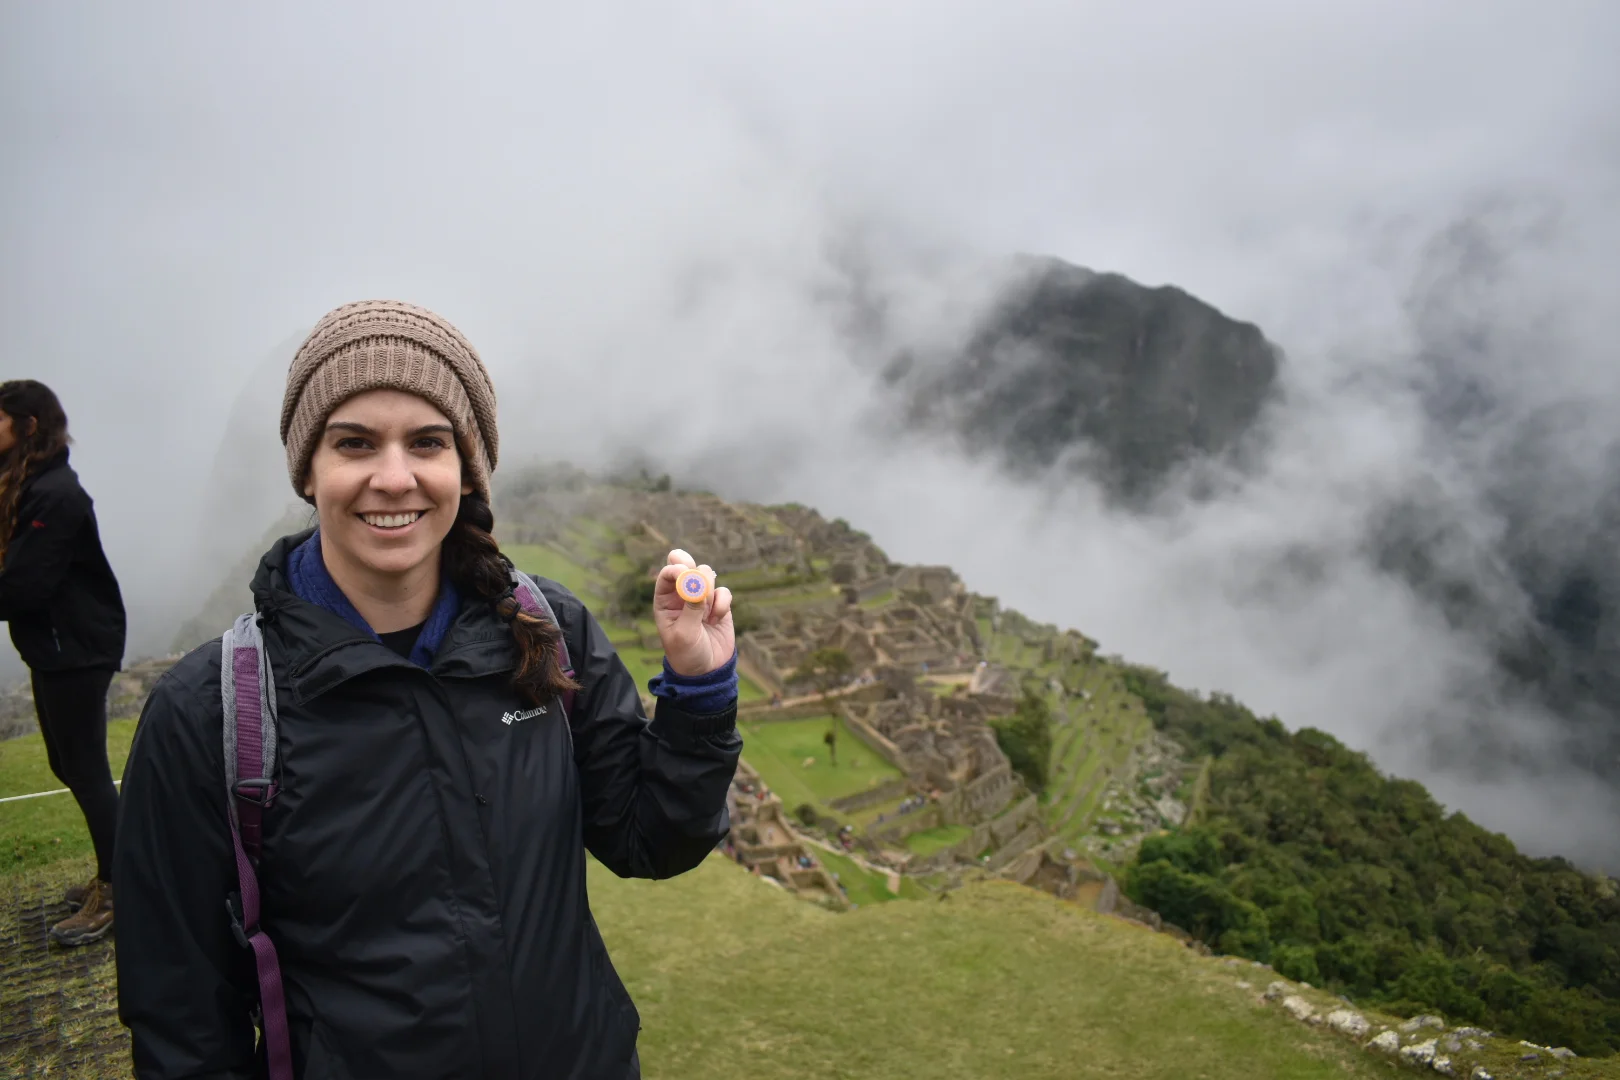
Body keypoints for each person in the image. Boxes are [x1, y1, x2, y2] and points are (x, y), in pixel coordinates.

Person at [112, 301, 743, 1079]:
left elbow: (652, 838)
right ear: (309, 469)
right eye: (354, 443)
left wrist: (700, 687)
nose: (393, 477)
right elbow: (183, 1021)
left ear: (465, 467)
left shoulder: (547, 633)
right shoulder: (211, 712)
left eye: (427, 443)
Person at [0, 379, 126, 946]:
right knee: (66, 766)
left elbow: (23, 587)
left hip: (77, 648)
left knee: (87, 770)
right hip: (54, 647)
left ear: (27, 426)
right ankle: (118, 868)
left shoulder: (57, 495)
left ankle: (121, 887)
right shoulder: (27, 486)